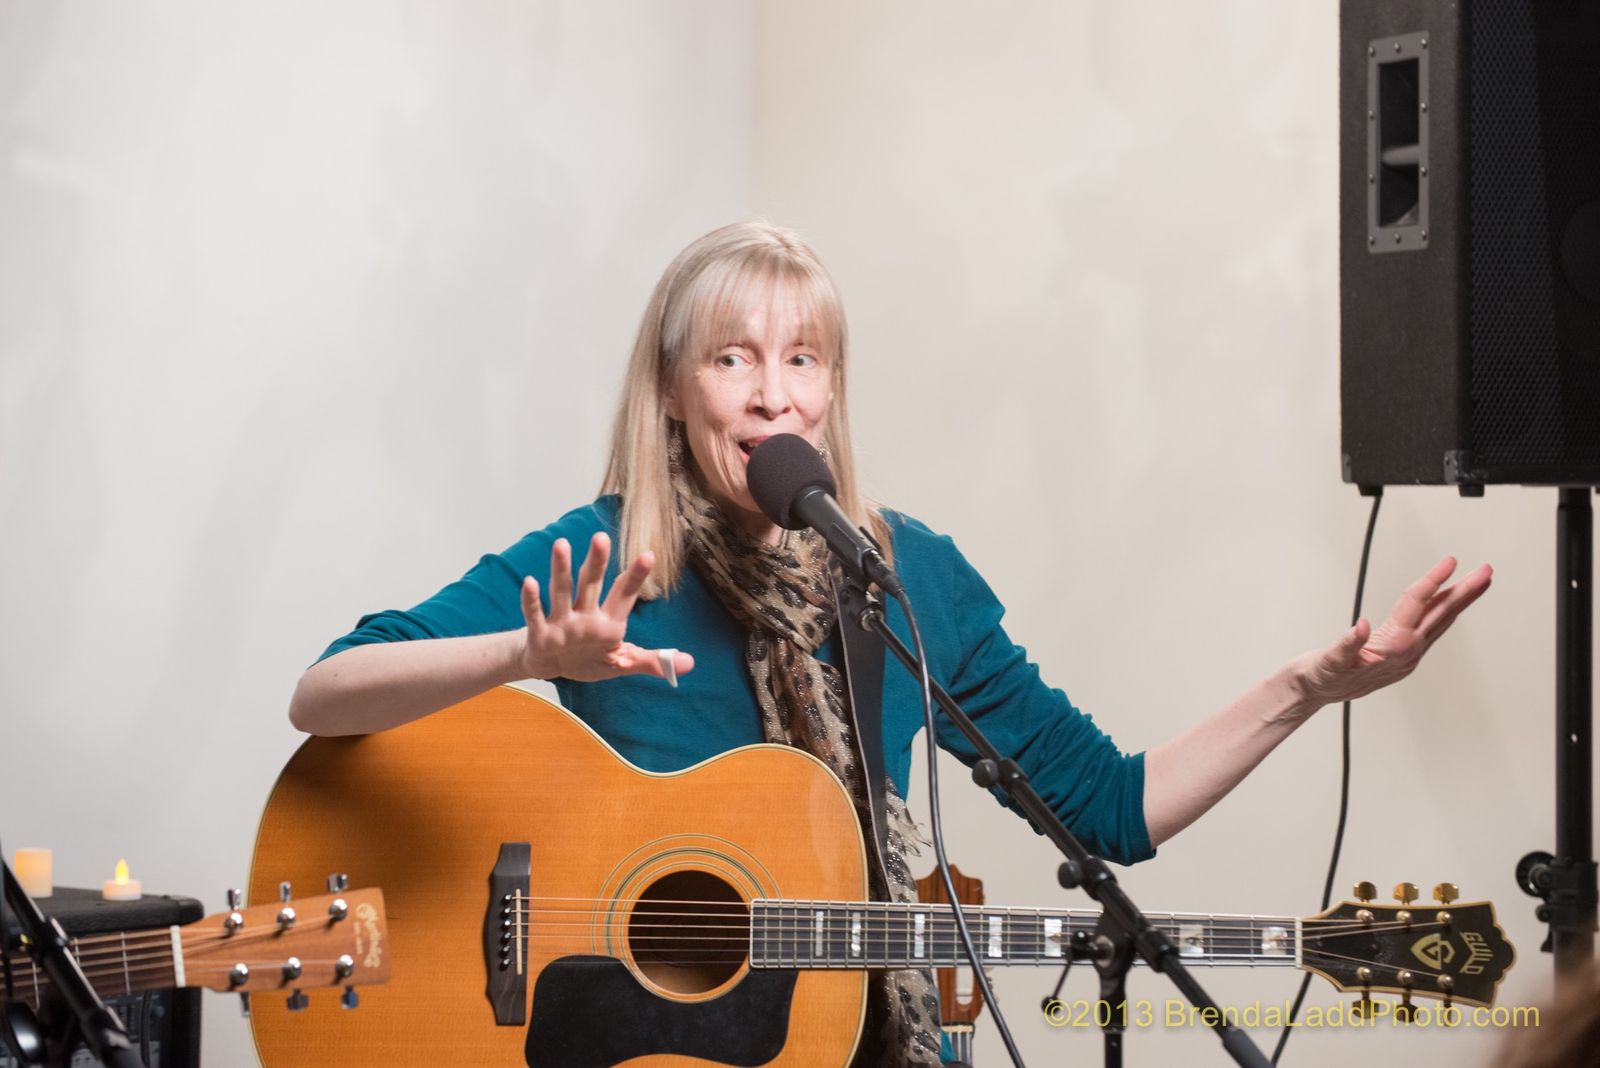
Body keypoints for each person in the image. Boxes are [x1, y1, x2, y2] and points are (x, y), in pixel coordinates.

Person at [288, 220, 1492, 1066]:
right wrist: (524, 658)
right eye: (731, 357)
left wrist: (1308, 686)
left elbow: (1109, 808)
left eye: (801, 359)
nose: (772, 394)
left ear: (831, 389)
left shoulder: (906, 579)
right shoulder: (607, 559)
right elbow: (326, 692)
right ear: (671, 389)